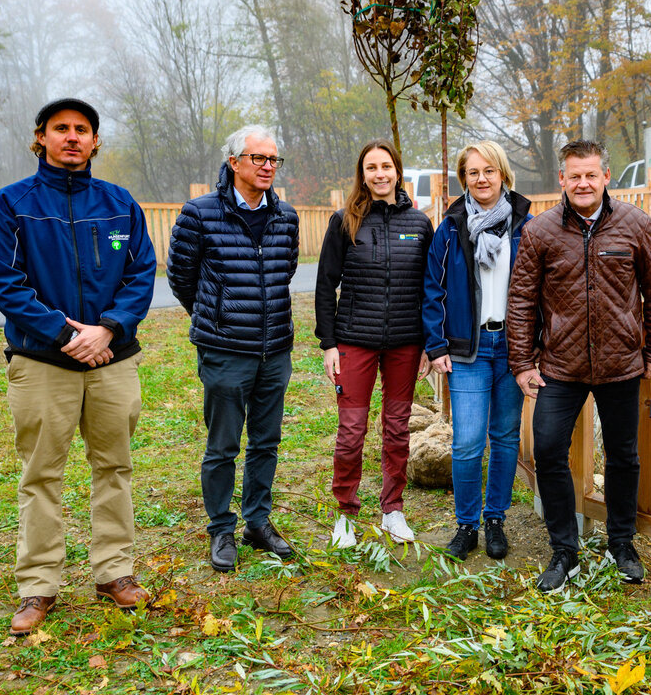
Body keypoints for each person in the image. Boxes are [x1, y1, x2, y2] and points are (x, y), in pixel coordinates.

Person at [0, 97, 157, 637]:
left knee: (115, 468)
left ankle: (114, 572)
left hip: (111, 359)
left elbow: (142, 273)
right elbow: (6, 284)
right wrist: (64, 334)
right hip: (41, 362)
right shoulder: (11, 205)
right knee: (41, 475)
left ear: (96, 141)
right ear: (41, 137)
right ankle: (38, 585)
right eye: (61, 129)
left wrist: (108, 328)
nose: (73, 137)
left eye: (83, 129)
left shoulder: (120, 204)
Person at [506, 139, 651, 592]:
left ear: (606, 176)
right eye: (574, 175)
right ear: (562, 179)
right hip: (559, 365)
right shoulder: (541, 231)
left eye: (591, 174)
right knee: (548, 451)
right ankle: (564, 550)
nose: (582, 183)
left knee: (624, 457)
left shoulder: (634, 224)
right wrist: (522, 362)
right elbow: (521, 300)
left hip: (621, 366)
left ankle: (621, 543)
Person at [167, 125, 300, 572]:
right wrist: (216, 319)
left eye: (273, 160)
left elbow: (285, 271)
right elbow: (181, 278)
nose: (267, 167)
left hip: (275, 349)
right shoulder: (199, 214)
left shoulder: (287, 217)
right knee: (223, 445)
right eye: (258, 158)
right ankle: (221, 528)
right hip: (225, 351)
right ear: (234, 162)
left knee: (266, 442)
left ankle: (257, 522)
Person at [316, 140, 433, 548]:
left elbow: (429, 289)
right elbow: (324, 284)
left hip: (405, 344)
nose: (380, 174)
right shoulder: (344, 221)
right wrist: (328, 343)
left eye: (386, 166)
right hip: (354, 342)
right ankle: (345, 513)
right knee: (351, 431)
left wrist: (427, 346)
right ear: (362, 174)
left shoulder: (420, 224)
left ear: (397, 171)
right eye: (371, 167)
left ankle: (393, 510)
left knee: (397, 429)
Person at [422, 141, 534, 560]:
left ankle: (495, 520)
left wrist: (535, 347)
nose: (481, 179)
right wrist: (436, 345)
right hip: (467, 350)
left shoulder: (526, 225)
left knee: (504, 438)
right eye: (472, 172)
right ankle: (466, 525)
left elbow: (541, 289)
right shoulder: (451, 227)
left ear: (503, 174)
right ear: (463, 178)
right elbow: (432, 288)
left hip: (512, 349)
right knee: (467, 442)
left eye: (489, 171)